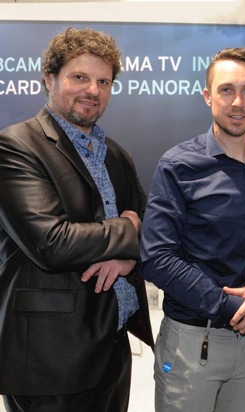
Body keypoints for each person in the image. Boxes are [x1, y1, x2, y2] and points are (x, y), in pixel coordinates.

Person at [0, 27, 154, 412]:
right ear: (49, 79)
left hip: (113, 346)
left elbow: (154, 226)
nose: (92, 90)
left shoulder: (115, 154)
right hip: (50, 361)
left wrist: (128, 258)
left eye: (103, 82)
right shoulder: (16, 146)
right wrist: (128, 230)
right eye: (79, 77)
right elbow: (52, 243)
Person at [139, 47, 245, 412]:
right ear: (207, 96)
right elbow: (156, 258)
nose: (238, 102)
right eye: (226, 90)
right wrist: (231, 307)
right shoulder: (178, 165)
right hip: (192, 340)